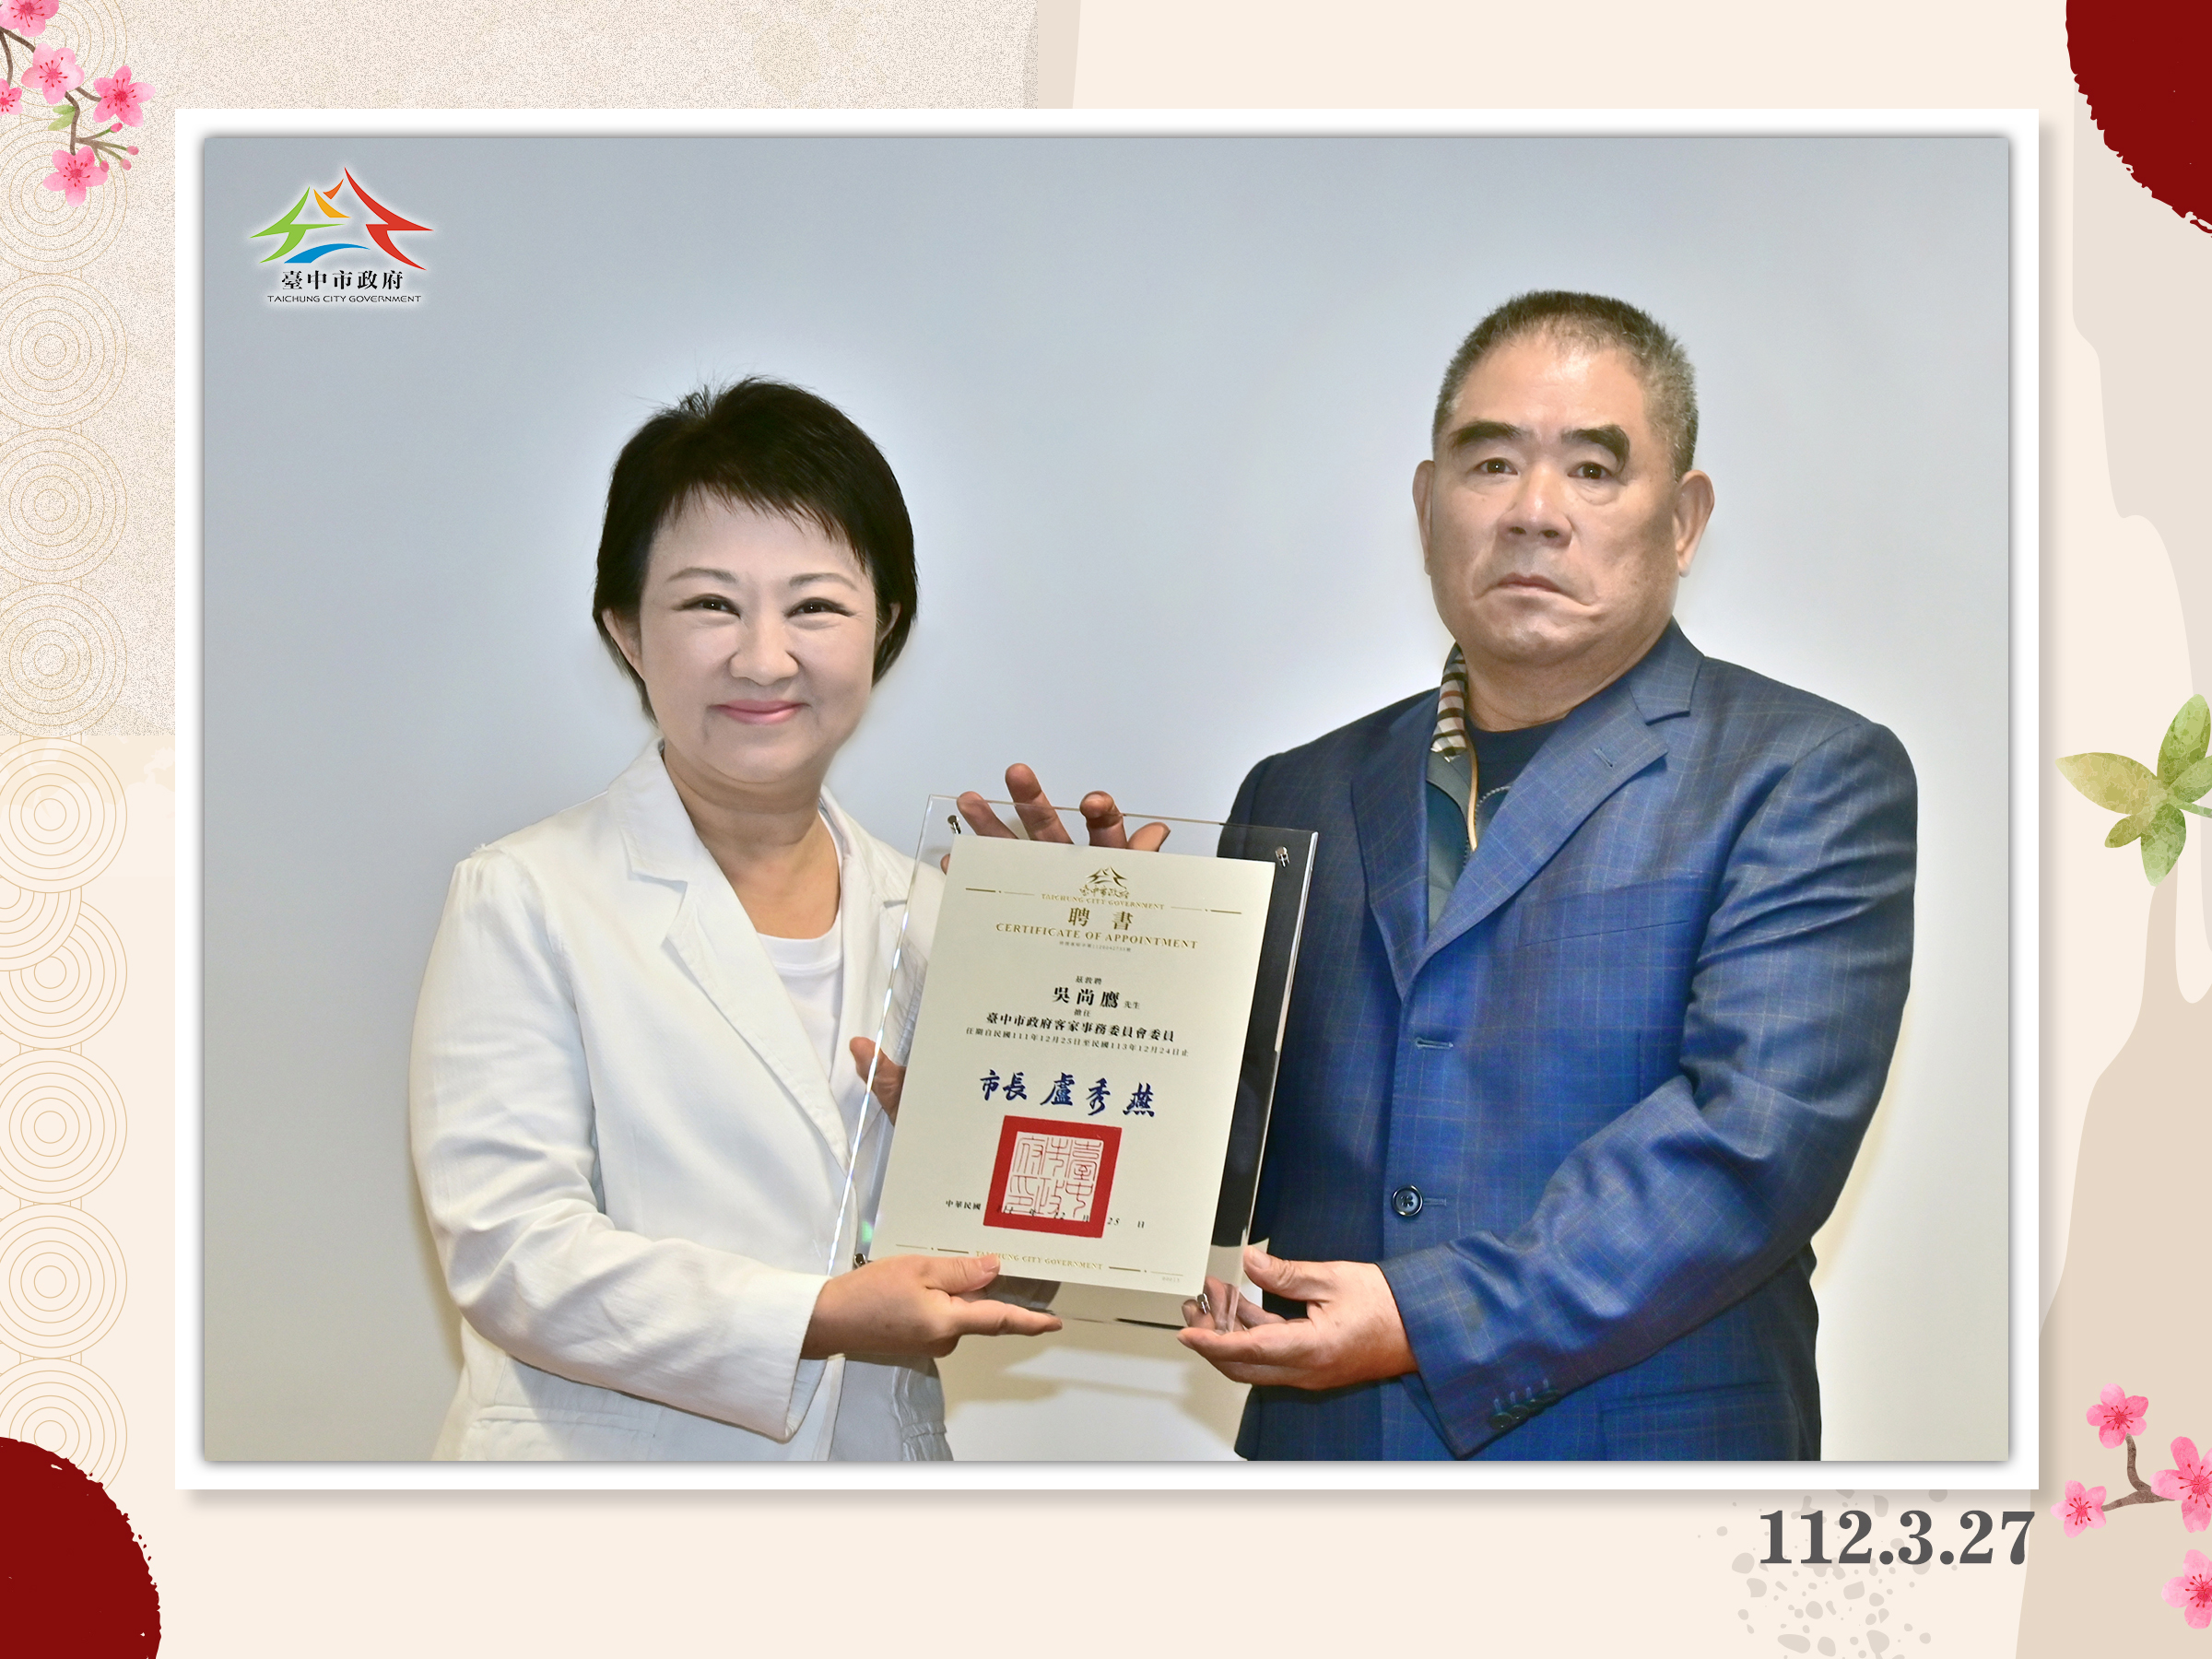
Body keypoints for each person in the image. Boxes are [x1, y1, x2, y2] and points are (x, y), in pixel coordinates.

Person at [989, 291, 1916, 1459]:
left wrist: (1422, 1320)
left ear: (1684, 522)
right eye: (1490, 464)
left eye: (1593, 469)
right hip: (1329, 1469)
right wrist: (1089, 998)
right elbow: (1214, 1170)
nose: (1534, 512)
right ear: (1429, 504)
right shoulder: (1299, 790)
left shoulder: (1805, 773)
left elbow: (1750, 1149)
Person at [408, 378, 1074, 1461]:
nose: (764, 656)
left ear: (883, 626)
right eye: (711, 604)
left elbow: (1018, 1274)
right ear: (627, 630)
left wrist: (1072, 981)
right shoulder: (525, 896)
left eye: (815, 607)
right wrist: (817, 1315)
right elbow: (512, 1252)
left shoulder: (939, 917)